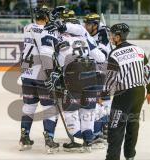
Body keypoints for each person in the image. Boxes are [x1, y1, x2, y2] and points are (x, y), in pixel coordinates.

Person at [44, 14, 106, 152]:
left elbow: (52, 58)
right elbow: (101, 57)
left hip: (73, 77)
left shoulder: (58, 36)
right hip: (91, 76)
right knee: (88, 110)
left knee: (70, 110)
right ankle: (88, 140)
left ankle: (77, 140)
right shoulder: (86, 37)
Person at [105, 23, 150, 160]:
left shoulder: (114, 53)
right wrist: (149, 90)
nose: (110, 37)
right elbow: (149, 71)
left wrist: (103, 94)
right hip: (139, 93)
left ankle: (112, 158)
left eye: (112, 35)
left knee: (116, 127)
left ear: (118, 36)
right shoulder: (138, 49)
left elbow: (110, 78)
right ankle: (130, 156)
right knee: (133, 124)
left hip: (124, 94)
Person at [19, 5, 60, 154]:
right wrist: (51, 75)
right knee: (50, 108)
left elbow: (35, 28)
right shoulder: (47, 33)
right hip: (41, 75)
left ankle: (24, 137)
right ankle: (49, 139)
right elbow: (45, 55)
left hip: (26, 74)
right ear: (47, 18)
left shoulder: (28, 28)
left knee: (29, 106)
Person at [83, 13, 112, 144]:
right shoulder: (89, 33)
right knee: (96, 102)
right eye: (85, 23)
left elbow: (102, 55)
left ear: (95, 25)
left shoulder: (103, 34)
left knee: (103, 101)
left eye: (88, 24)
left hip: (103, 72)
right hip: (94, 72)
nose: (86, 26)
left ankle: (102, 130)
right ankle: (100, 130)